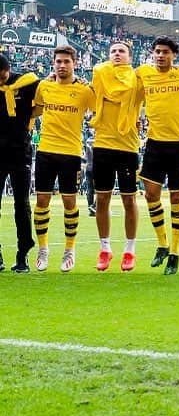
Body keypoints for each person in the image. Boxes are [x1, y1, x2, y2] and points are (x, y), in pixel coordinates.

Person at [137, 37, 179, 272]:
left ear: (174, 55)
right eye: (157, 52)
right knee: (150, 194)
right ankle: (163, 244)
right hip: (154, 144)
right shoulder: (143, 73)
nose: (160, 55)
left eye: (165, 52)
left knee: (176, 198)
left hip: (178, 145)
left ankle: (175, 252)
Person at [30, 45, 94, 272]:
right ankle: (43, 248)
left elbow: (101, 109)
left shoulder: (85, 91)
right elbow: (34, 110)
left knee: (69, 202)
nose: (62, 65)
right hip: (46, 151)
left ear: (75, 63)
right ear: (53, 63)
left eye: (67, 61)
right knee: (41, 202)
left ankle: (69, 249)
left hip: (71, 153)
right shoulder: (44, 86)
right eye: (58, 61)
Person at [90, 41, 145, 272]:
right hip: (102, 144)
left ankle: (129, 251)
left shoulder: (137, 80)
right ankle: (105, 249)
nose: (117, 54)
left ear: (130, 57)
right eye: (113, 51)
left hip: (128, 146)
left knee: (129, 200)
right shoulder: (100, 73)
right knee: (101, 199)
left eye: (121, 51)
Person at [0, 52, 40, 272]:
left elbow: (48, 92)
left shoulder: (26, 84)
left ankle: (22, 254)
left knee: (21, 206)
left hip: (19, 153)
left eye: (3, 76)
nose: (1, 81)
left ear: (9, 70)